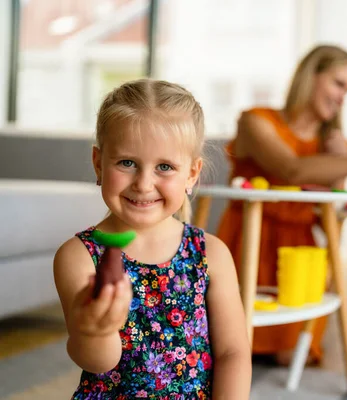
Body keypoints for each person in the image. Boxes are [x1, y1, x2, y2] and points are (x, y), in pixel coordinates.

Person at [53, 79, 252, 399]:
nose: (144, 184)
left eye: (164, 167)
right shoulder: (79, 257)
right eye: (127, 162)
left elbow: (233, 353)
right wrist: (96, 329)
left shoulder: (210, 253)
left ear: (191, 174)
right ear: (98, 164)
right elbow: (98, 361)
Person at [217, 45, 347, 365]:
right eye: (338, 84)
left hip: (299, 253)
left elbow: (331, 225)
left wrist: (342, 164)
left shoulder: (338, 148)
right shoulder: (255, 122)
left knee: (289, 356)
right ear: (311, 76)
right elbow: (291, 170)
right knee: (231, 346)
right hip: (247, 243)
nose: (342, 97)